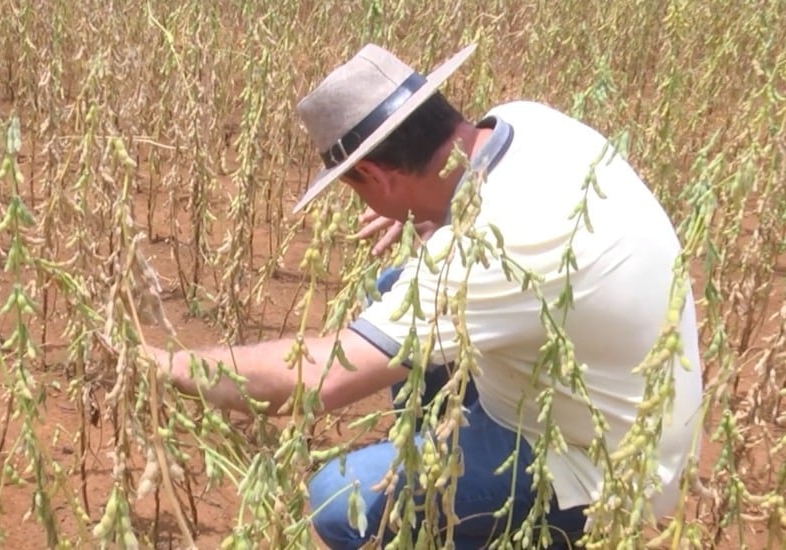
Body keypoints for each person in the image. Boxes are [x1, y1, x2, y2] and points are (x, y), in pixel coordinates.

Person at [149, 43, 704, 549]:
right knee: (394, 289)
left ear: (375, 174)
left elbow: (312, 379)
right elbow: (484, 211)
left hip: (606, 469)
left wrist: (165, 364)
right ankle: (440, 483)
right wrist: (440, 215)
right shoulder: (526, 121)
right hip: (624, 404)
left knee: (340, 498)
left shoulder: (490, 248)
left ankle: (517, 531)